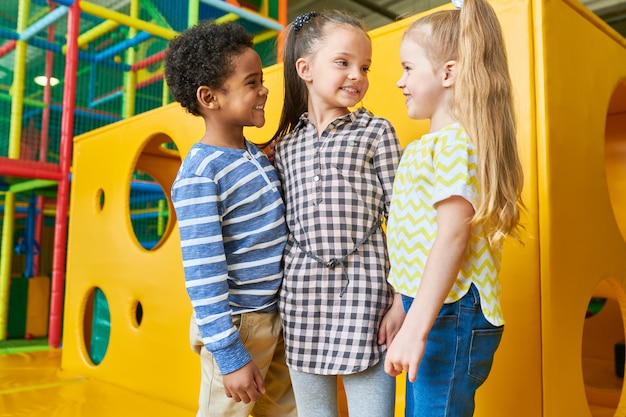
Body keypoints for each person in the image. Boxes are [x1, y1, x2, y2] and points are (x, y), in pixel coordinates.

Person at [383, 0, 526, 415]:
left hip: (451, 312)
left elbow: (451, 234)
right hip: (431, 307)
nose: (399, 81)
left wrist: (417, 326)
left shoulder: (454, 144)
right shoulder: (428, 146)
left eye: (408, 68)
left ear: (448, 73)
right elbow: (415, 238)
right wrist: (401, 304)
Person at [271, 10, 405, 417]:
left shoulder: (376, 132)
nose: (357, 76)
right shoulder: (284, 148)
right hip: (301, 299)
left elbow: (402, 218)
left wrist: (402, 298)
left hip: (368, 299)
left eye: (364, 67)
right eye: (343, 62)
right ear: (305, 69)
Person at [165, 21, 296, 417]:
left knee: (285, 410)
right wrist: (228, 353)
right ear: (210, 97)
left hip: (275, 313)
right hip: (238, 324)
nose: (265, 89)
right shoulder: (201, 173)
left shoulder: (252, 154)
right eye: (252, 83)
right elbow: (203, 273)